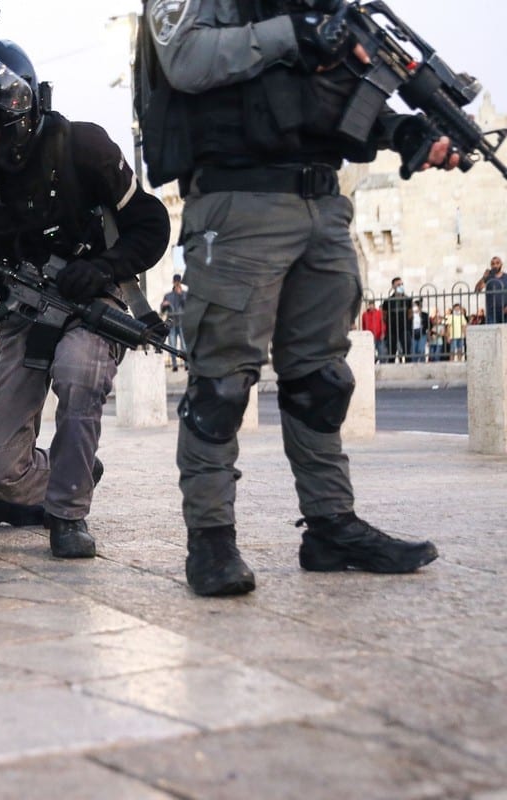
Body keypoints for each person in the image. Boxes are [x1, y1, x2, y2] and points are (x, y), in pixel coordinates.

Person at [138, 0, 451, 596]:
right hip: (238, 202)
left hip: (323, 201)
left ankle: (331, 526)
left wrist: (396, 130)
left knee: (322, 380)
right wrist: (297, 32)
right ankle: (210, 541)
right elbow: (184, 59)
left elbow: (326, 98)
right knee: (222, 386)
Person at [0, 38, 171, 558]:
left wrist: (103, 267)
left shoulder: (82, 149)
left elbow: (151, 224)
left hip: (95, 304)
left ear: (14, 118)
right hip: (27, 312)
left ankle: (68, 514)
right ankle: (74, 470)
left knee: (79, 371)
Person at [160, 274, 187, 371]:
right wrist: (164, 305)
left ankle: (186, 364)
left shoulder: (185, 294)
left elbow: (187, 306)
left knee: (184, 345)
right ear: (173, 282)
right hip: (172, 323)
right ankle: (174, 365)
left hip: (182, 322)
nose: (177, 284)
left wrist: (181, 295)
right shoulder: (168, 295)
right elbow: (162, 310)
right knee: (172, 345)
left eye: (179, 282)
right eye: (176, 282)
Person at [382, 278, 413, 363]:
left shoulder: (407, 299)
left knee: (407, 349)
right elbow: (384, 316)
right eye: (398, 285)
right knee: (391, 351)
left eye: (402, 284)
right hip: (392, 329)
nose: (401, 286)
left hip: (405, 328)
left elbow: (410, 314)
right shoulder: (387, 301)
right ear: (393, 286)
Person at [475, 256, 506, 324]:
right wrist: (484, 277)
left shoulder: (505, 277)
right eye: (493, 264)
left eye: (497, 263)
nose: (495, 265)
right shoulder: (488, 278)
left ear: (501, 264)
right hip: (491, 313)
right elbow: (477, 290)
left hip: (505, 311)